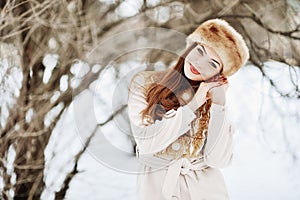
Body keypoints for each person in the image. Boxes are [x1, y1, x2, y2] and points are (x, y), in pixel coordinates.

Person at [127, 18, 249, 200]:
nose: (199, 63)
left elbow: (218, 160)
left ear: (219, 75)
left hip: (205, 191)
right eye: (199, 51)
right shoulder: (145, 84)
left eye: (213, 64)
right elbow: (146, 143)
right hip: (157, 189)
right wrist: (192, 106)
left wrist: (219, 104)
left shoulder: (215, 105)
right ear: (190, 46)